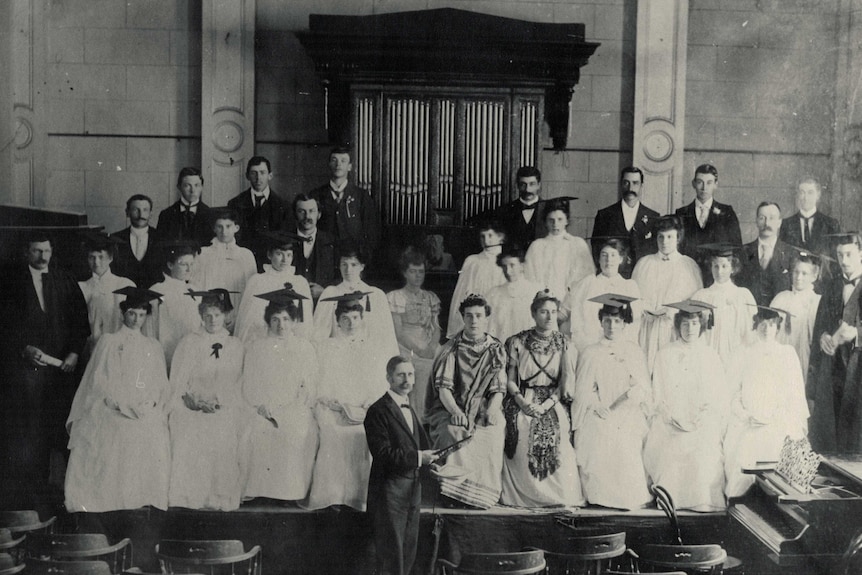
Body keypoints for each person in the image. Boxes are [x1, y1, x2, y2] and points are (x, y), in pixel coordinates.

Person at [0, 232, 89, 503]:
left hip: (62, 371)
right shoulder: (10, 282)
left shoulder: (65, 280)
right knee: (29, 432)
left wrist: (74, 353)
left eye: (46, 251)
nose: (42, 256)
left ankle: (64, 495)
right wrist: (23, 349)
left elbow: (80, 323)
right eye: (37, 251)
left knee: (60, 429)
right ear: (27, 252)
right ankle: (32, 493)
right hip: (27, 372)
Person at [65, 287, 170, 512]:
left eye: (142, 315)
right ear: (124, 313)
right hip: (112, 403)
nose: (136, 320)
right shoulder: (109, 341)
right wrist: (116, 401)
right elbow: (99, 378)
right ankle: (111, 498)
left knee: (152, 427)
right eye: (132, 314)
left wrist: (148, 403)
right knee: (113, 428)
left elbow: (158, 383)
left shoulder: (152, 346)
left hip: (141, 405)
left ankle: (140, 496)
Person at [304, 296, 391, 511]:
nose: (350, 323)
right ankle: (332, 496)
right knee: (333, 434)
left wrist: (364, 407)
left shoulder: (372, 348)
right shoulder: (326, 347)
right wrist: (333, 403)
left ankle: (358, 498)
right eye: (345, 318)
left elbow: (378, 384)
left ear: (362, 319)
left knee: (363, 435)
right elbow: (318, 380)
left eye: (355, 317)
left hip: (363, 410)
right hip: (333, 408)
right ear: (337, 320)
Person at [500, 291, 583, 508]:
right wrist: (522, 402)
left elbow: (563, 383)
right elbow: (510, 380)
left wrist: (547, 404)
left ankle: (559, 496)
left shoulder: (564, 342)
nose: (549, 317)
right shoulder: (517, 341)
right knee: (520, 425)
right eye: (544, 311)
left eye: (553, 312)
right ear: (534, 313)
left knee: (560, 429)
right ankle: (524, 496)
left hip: (552, 399)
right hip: (523, 395)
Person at [643, 300, 728, 512]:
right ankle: (671, 499)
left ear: (701, 326)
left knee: (702, 452)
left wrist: (700, 417)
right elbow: (659, 392)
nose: (690, 329)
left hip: (701, 421)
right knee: (670, 448)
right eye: (685, 324)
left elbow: (716, 395)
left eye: (694, 324)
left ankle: (701, 500)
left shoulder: (710, 355)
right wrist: (672, 416)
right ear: (678, 326)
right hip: (671, 419)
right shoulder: (665, 354)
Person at [572, 294, 652, 510]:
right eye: (607, 320)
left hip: (627, 409)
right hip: (599, 409)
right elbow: (583, 389)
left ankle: (626, 497)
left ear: (625, 323)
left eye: (617, 321)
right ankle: (600, 496)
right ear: (601, 322)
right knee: (598, 433)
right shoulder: (591, 352)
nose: (612, 326)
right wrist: (596, 405)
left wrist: (627, 399)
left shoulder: (633, 352)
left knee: (626, 439)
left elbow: (641, 388)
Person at [426, 295, 506, 509]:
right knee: (452, 430)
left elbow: (498, 388)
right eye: (469, 316)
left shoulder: (495, 349)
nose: (474, 321)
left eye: (479, 316)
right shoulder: (451, 348)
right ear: (462, 317)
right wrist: (455, 411)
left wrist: (493, 409)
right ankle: (453, 495)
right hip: (451, 405)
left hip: (482, 406)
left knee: (493, 430)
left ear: (486, 318)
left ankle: (480, 497)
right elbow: (443, 389)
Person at [167, 291, 245, 510]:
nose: (212, 320)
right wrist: (194, 400)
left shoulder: (235, 345)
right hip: (191, 404)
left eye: (217, 315)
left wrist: (217, 401)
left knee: (222, 428)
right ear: (201, 315)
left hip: (222, 405)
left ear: (225, 316)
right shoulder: (189, 342)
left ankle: (217, 497)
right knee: (188, 427)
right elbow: (179, 380)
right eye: (208, 315)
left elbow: (236, 382)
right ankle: (190, 497)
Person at [241, 289, 319, 503]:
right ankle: (260, 491)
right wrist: (261, 406)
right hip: (262, 407)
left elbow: (308, 386)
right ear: (268, 321)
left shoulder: (304, 348)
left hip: (294, 407)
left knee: (295, 431)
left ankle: (289, 493)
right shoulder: (256, 347)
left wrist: (290, 408)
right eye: (275, 319)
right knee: (257, 430)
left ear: (294, 321)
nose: (281, 325)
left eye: (286, 319)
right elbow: (250, 383)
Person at [724, 306, 808, 498]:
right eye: (762, 323)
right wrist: (746, 415)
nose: (767, 328)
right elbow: (733, 394)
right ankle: (744, 501)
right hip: (749, 421)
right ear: (756, 325)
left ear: (777, 327)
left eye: (771, 324)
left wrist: (776, 416)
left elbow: (794, 395)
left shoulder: (787, 354)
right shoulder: (743, 353)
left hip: (779, 420)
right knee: (745, 451)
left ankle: (784, 505)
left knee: (784, 449)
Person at [364, 356, 436, 575]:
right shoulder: (377, 411)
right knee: (392, 555)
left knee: (408, 552)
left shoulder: (409, 407)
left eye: (411, 374)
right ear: (389, 378)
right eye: (401, 375)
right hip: (389, 492)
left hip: (412, 490)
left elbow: (420, 446)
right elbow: (383, 455)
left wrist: (432, 465)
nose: (407, 380)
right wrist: (418, 458)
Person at [808, 232, 862, 452]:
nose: (844, 260)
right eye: (840, 255)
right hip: (833, 371)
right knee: (829, 431)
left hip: (858, 372)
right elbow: (821, 325)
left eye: (849, 254)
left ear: (861, 253)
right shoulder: (831, 286)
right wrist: (823, 338)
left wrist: (857, 334)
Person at [632, 216, 703, 370]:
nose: (664, 242)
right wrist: (645, 308)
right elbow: (634, 296)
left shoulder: (688, 265)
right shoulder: (644, 264)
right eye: (661, 237)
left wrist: (672, 311)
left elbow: (694, 303)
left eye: (670, 237)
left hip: (673, 330)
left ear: (678, 238)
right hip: (647, 330)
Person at [386, 247, 442, 421]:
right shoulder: (396, 297)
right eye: (413, 271)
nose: (418, 276)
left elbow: (437, 327)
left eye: (421, 272)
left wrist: (432, 346)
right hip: (406, 346)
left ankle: (431, 423)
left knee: (443, 363)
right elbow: (398, 332)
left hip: (428, 344)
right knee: (417, 370)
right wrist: (419, 350)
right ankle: (414, 422)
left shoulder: (431, 297)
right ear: (404, 273)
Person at [313, 247, 397, 353]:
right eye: (344, 264)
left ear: (362, 266)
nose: (348, 270)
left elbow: (386, 337)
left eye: (353, 265)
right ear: (339, 266)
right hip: (338, 354)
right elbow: (319, 334)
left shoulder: (376, 295)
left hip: (368, 355)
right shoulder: (331, 293)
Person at [234, 231, 313, 344]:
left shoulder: (300, 282)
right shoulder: (257, 281)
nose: (285, 260)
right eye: (279, 254)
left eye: (289, 255)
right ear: (269, 255)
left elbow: (305, 323)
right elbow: (248, 322)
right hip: (264, 341)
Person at [564, 238, 642, 352]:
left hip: (620, 347)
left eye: (613, 255)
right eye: (604, 255)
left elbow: (634, 322)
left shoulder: (629, 287)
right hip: (590, 346)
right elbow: (578, 321)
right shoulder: (586, 285)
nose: (608, 260)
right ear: (599, 259)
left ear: (621, 259)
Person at [310, 147, 382, 263]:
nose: (338, 164)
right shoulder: (316, 195)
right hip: (325, 260)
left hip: (353, 260)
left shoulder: (361, 196)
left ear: (350, 167)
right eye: (334, 160)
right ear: (329, 164)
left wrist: (362, 256)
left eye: (343, 161)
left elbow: (371, 231)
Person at [191, 208, 257, 330]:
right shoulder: (203, 254)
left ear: (236, 228)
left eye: (228, 226)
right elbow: (196, 288)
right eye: (219, 226)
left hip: (238, 314)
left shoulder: (246, 255)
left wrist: (238, 316)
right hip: (211, 317)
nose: (224, 231)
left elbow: (250, 292)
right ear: (214, 228)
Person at [675, 164, 742, 281]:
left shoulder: (727, 213)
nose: (704, 187)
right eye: (700, 182)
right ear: (693, 184)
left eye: (709, 183)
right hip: (687, 276)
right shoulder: (681, 213)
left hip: (717, 278)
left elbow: (737, 249)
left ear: (716, 184)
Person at [691, 245, 757, 365]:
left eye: (724, 266)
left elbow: (749, 333)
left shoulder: (742, 295)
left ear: (732, 268)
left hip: (734, 355)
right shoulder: (701, 296)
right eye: (715, 266)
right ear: (710, 267)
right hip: (708, 354)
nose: (719, 271)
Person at [590, 167, 660, 277]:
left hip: (642, 278)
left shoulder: (653, 217)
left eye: (635, 183)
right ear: (621, 184)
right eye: (626, 183)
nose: (630, 188)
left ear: (642, 186)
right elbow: (596, 250)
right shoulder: (605, 215)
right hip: (612, 279)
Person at [146, 241, 204, 369]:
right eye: (183, 264)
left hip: (190, 354)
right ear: (170, 265)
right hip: (165, 353)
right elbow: (150, 327)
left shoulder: (194, 291)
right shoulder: (158, 290)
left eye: (191, 264)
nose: (189, 269)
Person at [524, 198, 594, 301]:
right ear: (545, 222)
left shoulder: (577, 244)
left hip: (570, 305)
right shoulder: (537, 246)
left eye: (560, 219)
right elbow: (529, 279)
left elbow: (585, 280)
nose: (555, 224)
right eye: (551, 220)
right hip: (542, 304)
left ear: (567, 220)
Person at [228, 156, 291, 270]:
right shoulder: (235, 203)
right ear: (247, 176)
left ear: (270, 175)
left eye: (262, 173)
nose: (258, 178)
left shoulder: (283, 206)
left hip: (271, 267)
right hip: (242, 264)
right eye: (254, 173)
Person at [446, 221, 507, 338]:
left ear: (501, 237)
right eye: (482, 236)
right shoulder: (472, 261)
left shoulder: (506, 261)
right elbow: (461, 293)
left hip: (499, 312)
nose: (486, 240)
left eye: (490, 236)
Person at [770, 252, 823, 386]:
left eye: (804, 274)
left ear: (814, 276)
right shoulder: (780, 298)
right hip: (778, 358)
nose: (799, 277)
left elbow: (816, 338)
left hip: (803, 356)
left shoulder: (816, 302)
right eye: (796, 272)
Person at [78, 233, 135, 350]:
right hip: (92, 348)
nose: (96, 263)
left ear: (110, 258)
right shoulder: (82, 287)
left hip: (121, 346)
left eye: (101, 257)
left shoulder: (124, 285)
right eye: (91, 257)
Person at [736, 202, 794, 306]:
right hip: (750, 314)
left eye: (772, 218)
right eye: (762, 218)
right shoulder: (742, 252)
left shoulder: (791, 253)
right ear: (756, 221)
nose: (767, 224)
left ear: (779, 222)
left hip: (780, 315)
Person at [485, 247, 544, 343]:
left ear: (522, 266)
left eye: (512, 265)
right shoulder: (494, 294)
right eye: (504, 266)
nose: (508, 271)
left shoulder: (535, 291)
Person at [481, 166, 546, 249]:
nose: (527, 189)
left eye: (532, 184)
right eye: (523, 184)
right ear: (518, 186)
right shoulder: (504, 211)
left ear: (539, 185)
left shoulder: (548, 209)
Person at [111, 194, 164, 289]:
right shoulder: (115, 239)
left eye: (145, 210)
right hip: (123, 296)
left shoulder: (162, 238)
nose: (141, 215)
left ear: (151, 214)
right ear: (127, 212)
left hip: (154, 295)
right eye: (136, 210)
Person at [292, 193, 337, 299]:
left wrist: (325, 292)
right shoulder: (285, 241)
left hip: (322, 305)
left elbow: (342, 278)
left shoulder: (332, 242)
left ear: (319, 214)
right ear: (295, 214)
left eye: (312, 211)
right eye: (301, 211)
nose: (307, 216)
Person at [779, 177, 840, 255]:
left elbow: (836, 255)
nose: (805, 198)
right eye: (802, 192)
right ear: (797, 195)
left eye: (810, 192)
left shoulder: (830, 224)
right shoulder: (786, 224)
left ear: (818, 195)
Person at [156, 167, 214, 245]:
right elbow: (160, 247)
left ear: (202, 187)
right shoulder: (166, 215)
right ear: (179, 187)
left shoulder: (211, 215)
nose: (192, 190)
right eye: (187, 185)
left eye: (197, 185)